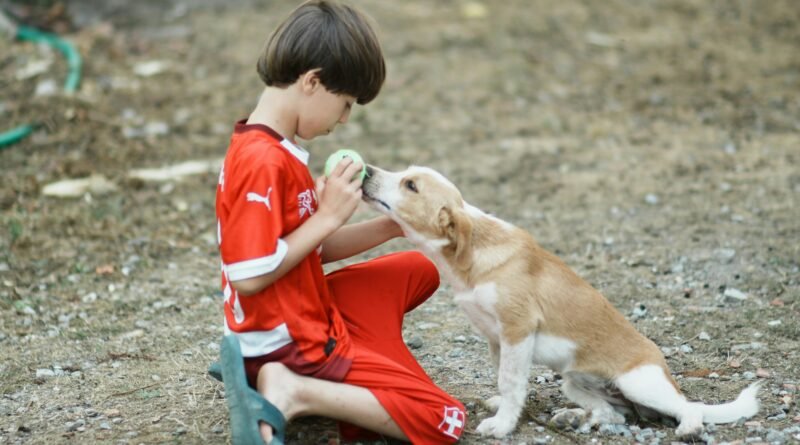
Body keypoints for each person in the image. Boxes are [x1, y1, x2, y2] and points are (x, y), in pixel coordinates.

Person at [212, 1, 467, 443]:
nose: (345, 118)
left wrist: (392, 226)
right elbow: (248, 275)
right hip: (290, 341)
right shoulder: (262, 162)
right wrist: (328, 215)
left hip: (294, 317)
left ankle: (327, 373)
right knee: (444, 419)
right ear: (312, 81)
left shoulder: (272, 147)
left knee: (418, 269)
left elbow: (309, 250)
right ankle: (295, 390)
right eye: (345, 103)